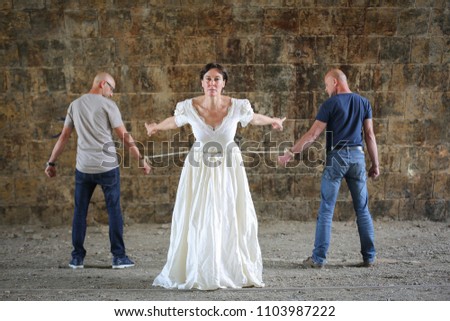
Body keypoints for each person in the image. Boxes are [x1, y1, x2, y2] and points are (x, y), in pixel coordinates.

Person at [146, 63, 286, 290]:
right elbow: (175, 121)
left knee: (228, 212)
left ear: (223, 83)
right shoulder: (188, 106)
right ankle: (199, 267)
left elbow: (253, 118)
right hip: (199, 166)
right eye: (208, 79)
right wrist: (156, 127)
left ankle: (227, 267)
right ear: (202, 83)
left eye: (217, 79)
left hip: (229, 166)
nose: (212, 83)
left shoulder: (238, 105)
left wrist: (273, 121)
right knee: (199, 214)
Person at [45, 72, 151, 269]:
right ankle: (119, 257)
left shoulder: (74, 105)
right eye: (111, 88)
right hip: (107, 167)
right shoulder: (108, 105)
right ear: (103, 84)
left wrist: (51, 163)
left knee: (80, 211)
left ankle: (76, 258)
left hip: (83, 168)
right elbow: (124, 136)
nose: (112, 94)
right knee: (113, 210)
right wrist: (141, 159)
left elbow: (63, 137)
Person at [278, 68, 380, 268]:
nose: (326, 90)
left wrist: (291, 153)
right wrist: (375, 164)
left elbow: (313, 134)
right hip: (358, 157)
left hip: (337, 157)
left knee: (326, 209)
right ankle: (369, 256)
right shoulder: (364, 103)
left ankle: (318, 259)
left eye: (326, 85)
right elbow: (370, 135)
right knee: (362, 209)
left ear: (334, 82)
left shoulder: (330, 103)